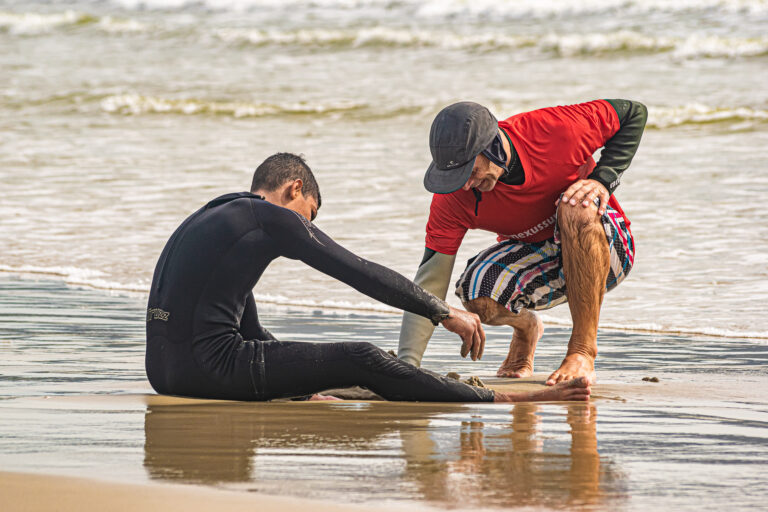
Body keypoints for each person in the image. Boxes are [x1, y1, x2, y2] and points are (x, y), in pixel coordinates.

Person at [145, 152, 591, 403]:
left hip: (165, 373)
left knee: (348, 377)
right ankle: (505, 399)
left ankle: (372, 386)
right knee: (362, 356)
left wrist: (301, 387)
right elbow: (358, 272)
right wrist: (442, 312)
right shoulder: (269, 219)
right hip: (210, 371)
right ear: (294, 190)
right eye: (310, 215)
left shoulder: (216, 215)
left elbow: (246, 326)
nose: (307, 226)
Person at [398, 99, 647, 385]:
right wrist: (406, 367)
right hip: (541, 258)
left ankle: (582, 351)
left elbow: (634, 113)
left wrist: (603, 179)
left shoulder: (553, 129)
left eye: (470, 172)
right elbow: (430, 280)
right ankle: (526, 329)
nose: (464, 185)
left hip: (606, 249)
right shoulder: (453, 197)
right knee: (477, 294)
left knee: (576, 206)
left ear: (491, 145)